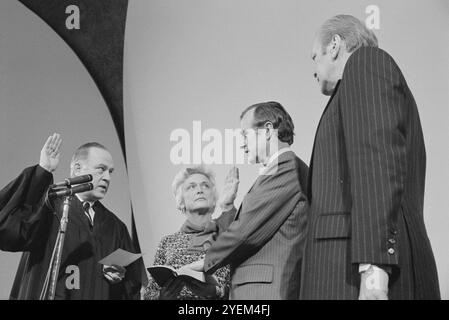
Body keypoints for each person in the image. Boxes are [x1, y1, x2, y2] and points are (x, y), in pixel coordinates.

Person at [300, 14, 440, 300]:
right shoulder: (357, 82)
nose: (313, 70)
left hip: (355, 274)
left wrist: (375, 268)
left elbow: (376, 165)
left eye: (315, 56)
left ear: (335, 45)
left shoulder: (364, 63)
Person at [185, 101, 309, 300]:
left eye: (245, 134)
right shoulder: (279, 169)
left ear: (268, 130)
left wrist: (206, 261)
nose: (242, 143)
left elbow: (245, 231)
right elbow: (250, 228)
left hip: (266, 293)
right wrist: (226, 207)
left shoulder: (286, 167)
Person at [0, 133, 143, 299]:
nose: (107, 177)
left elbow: (132, 285)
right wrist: (42, 172)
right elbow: (11, 229)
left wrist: (119, 279)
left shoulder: (115, 227)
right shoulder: (50, 207)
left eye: (110, 171)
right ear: (77, 169)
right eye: (101, 169)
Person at [143, 166, 235, 300]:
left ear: (214, 199)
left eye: (205, 186)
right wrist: (162, 297)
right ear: (181, 202)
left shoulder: (229, 236)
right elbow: (150, 293)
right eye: (191, 187)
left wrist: (216, 292)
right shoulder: (167, 242)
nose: (199, 190)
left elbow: (242, 286)